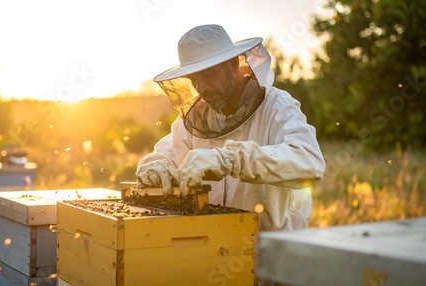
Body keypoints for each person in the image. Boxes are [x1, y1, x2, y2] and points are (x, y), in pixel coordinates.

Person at [136, 24, 325, 231]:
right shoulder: (194, 120)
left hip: (274, 251)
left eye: (208, 74)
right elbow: (163, 155)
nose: (202, 88)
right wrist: (154, 164)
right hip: (218, 248)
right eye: (194, 79)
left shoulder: (277, 107)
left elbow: (309, 161)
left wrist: (230, 159)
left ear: (234, 63)